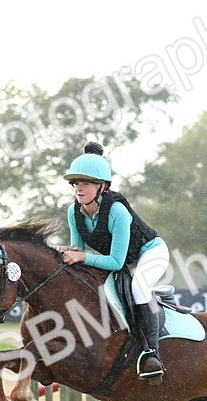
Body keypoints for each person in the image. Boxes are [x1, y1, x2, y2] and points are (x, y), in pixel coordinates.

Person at [58, 141, 170, 382]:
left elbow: (117, 263)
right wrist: (65, 251)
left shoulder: (117, 211)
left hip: (149, 253)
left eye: (85, 183)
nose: (79, 188)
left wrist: (82, 256)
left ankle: (152, 354)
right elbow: (78, 247)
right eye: (75, 183)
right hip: (121, 259)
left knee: (138, 285)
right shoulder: (73, 211)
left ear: (103, 186)